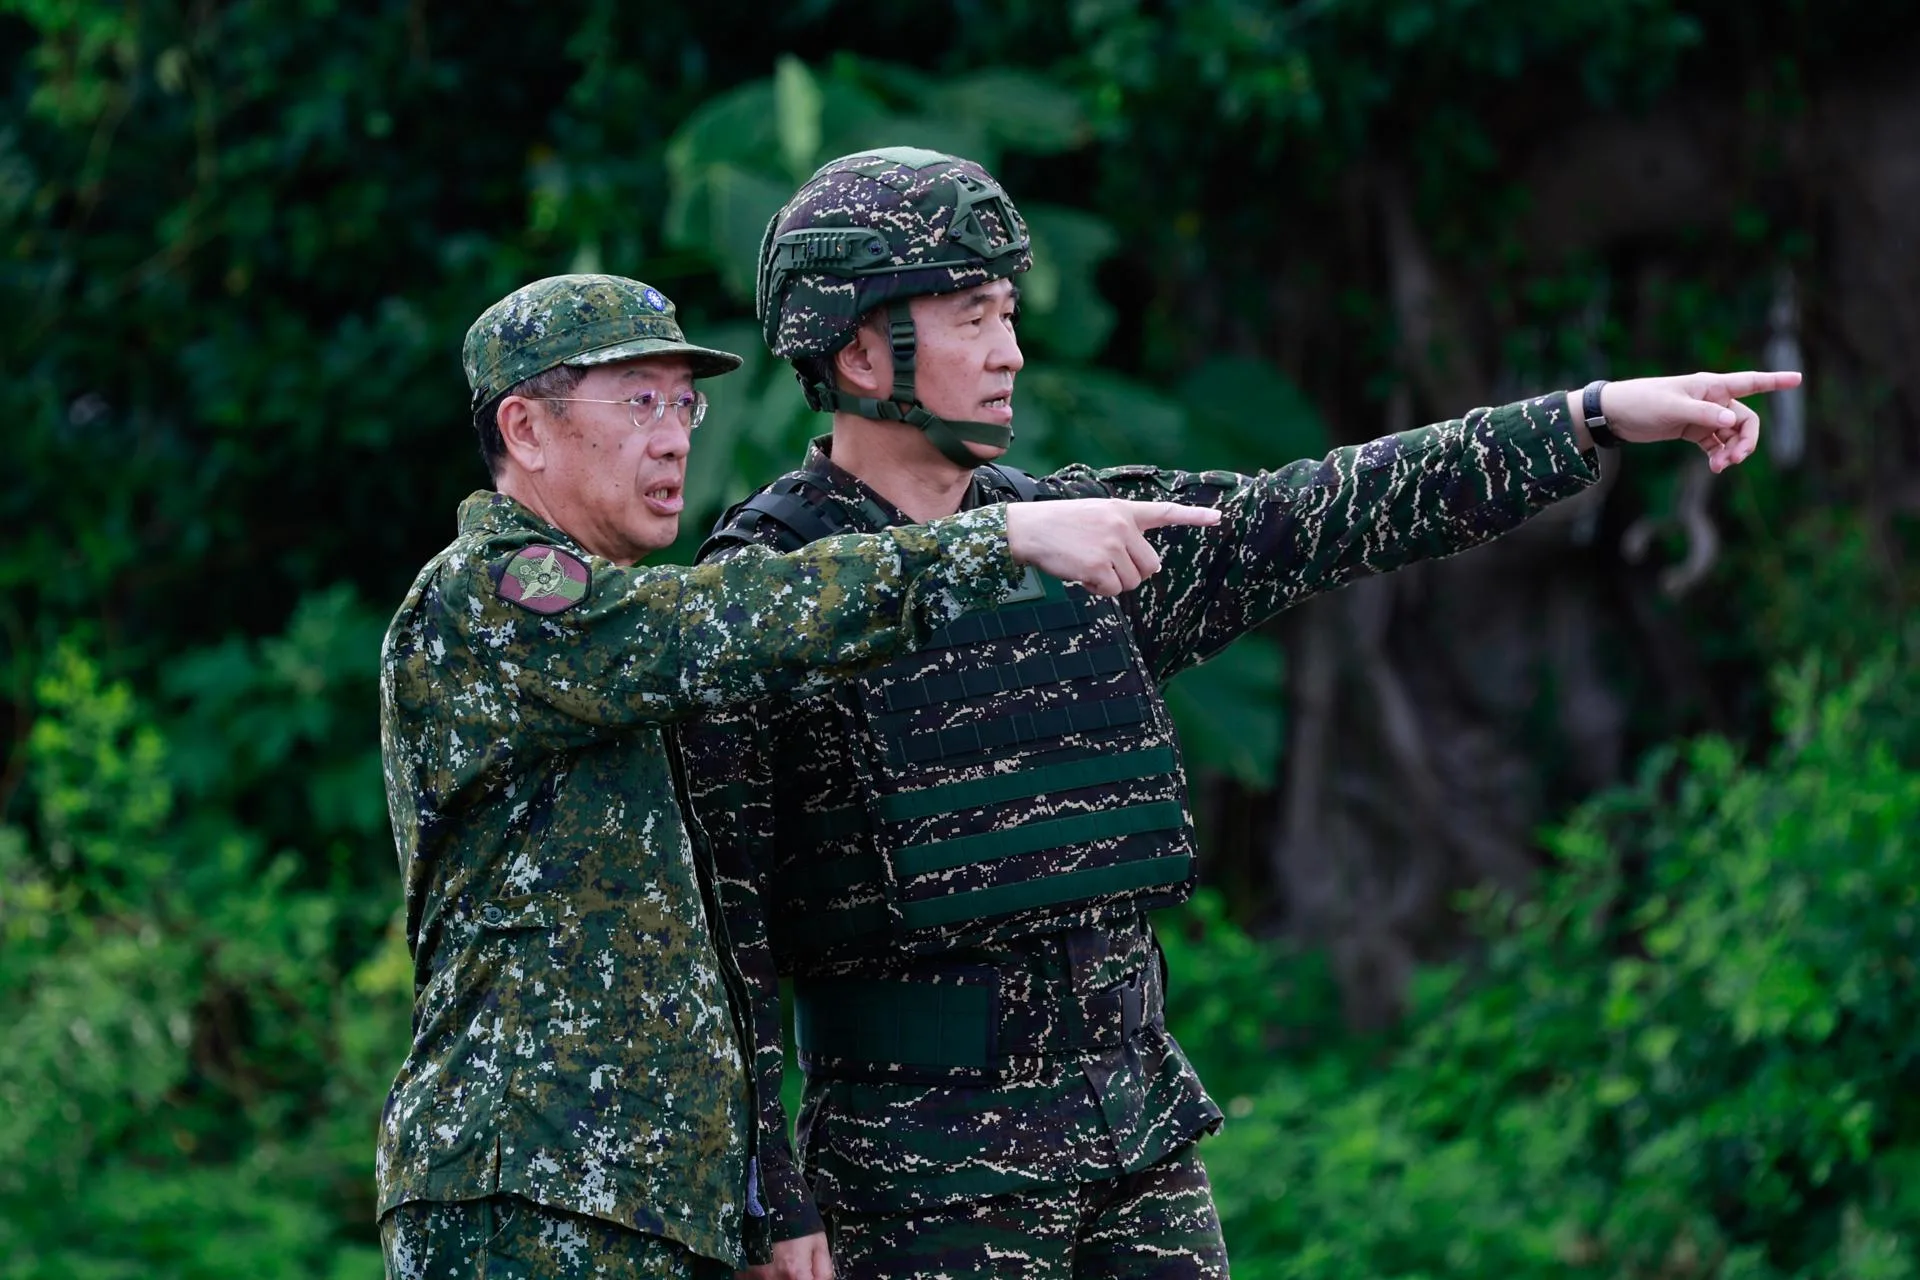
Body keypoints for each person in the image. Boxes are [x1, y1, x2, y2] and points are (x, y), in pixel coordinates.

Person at [677, 149, 1801, 1280]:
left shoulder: (1084, 532)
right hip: (914, 1176)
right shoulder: (773, 591)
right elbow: (727, 929)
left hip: (1136, 1135)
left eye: (1009, 313)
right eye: (973, 317)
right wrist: (771, 1188)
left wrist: (1590, 416)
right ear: (862, 348)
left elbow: (1325, 510)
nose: (1011, 352)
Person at [374, 272, 1221, 1280]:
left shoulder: (615, 645)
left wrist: (762, 1192)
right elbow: (712, 619)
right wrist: (994, 540)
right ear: (526, 426)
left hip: (650, 1201)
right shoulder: (499, 594)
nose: (675, 433)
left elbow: (731, 941)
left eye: (684, 401)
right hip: (527, 1187)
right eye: (637, 399)